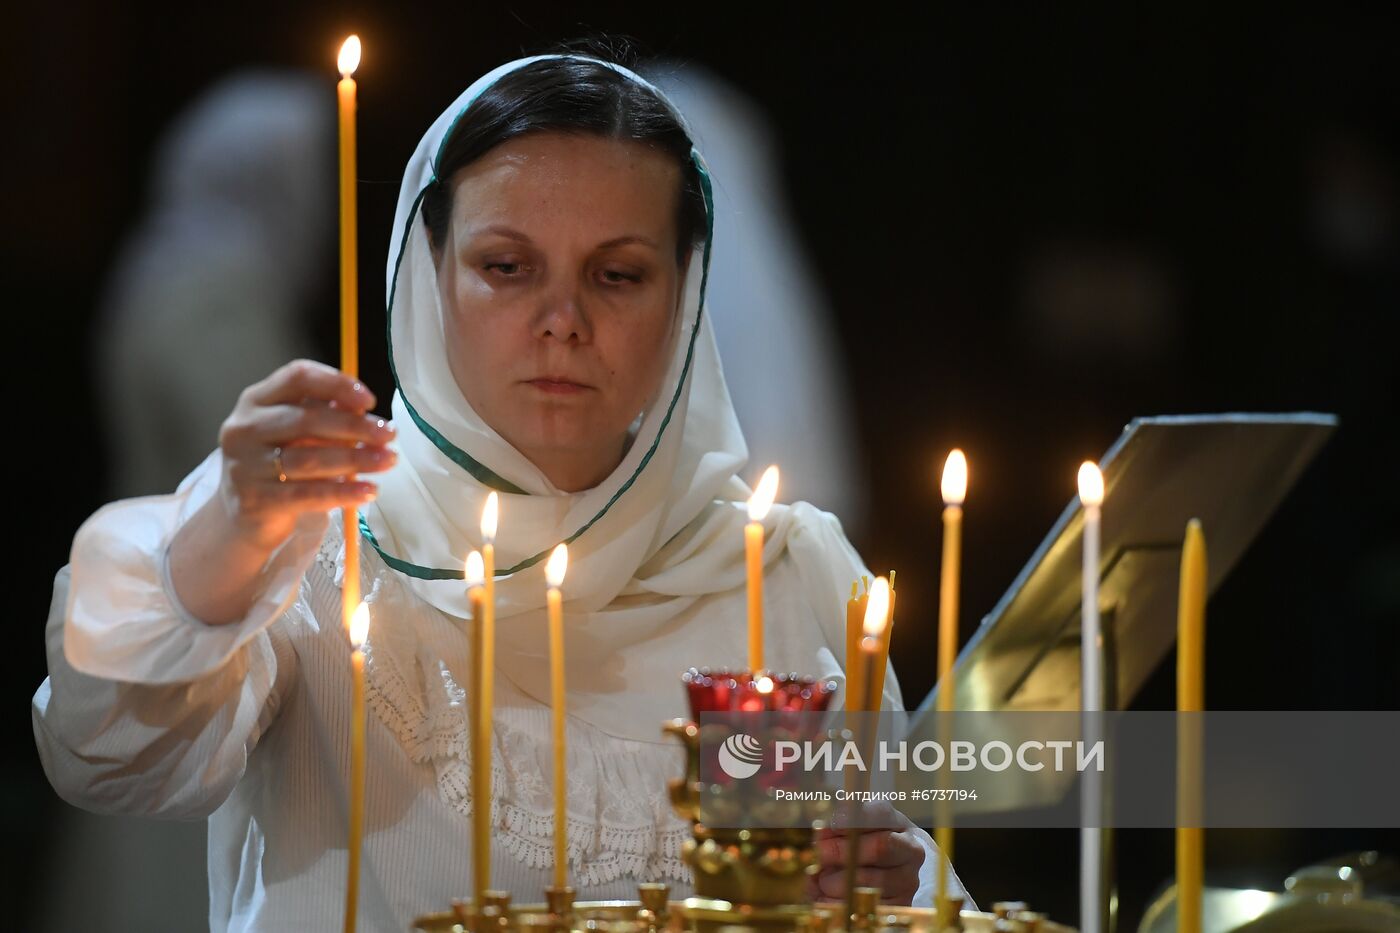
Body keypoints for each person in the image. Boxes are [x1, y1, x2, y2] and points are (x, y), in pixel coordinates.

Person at [32, 51, 969, 931]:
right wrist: (225, 541)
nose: (563, 321)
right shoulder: (313, 545)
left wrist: (876, 890)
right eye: (508, 267)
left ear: (684, 294)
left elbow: (879, 877)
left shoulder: (778, 578)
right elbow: (109, 757)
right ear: (430, 271)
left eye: (617, 274)